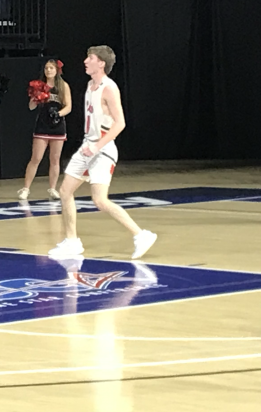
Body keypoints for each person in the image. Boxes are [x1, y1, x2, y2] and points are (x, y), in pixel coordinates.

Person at [48, 46, 157, 260]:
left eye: (90, 58)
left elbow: (120, 123)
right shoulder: (90, 85)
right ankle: (72, 242)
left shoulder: (109, 88)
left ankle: (141, 235)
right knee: (65, 191)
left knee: (100, 200)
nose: (86, 61)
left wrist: (97, 146)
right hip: (87, 146)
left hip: (103, 148)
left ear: (101, 63)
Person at [18, 59, 72, 200]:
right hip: (42, 126)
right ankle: (25, 189)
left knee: (55, 159)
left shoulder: (63, 86)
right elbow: (31, 107)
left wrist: (58, 114)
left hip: (58, 125)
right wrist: (34, 98)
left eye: (51, 68)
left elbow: (68, 106)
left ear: (57, 70)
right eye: (46, 68)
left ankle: (53, 189)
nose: (48, 70)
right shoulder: (40, 86)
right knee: (36, 158)